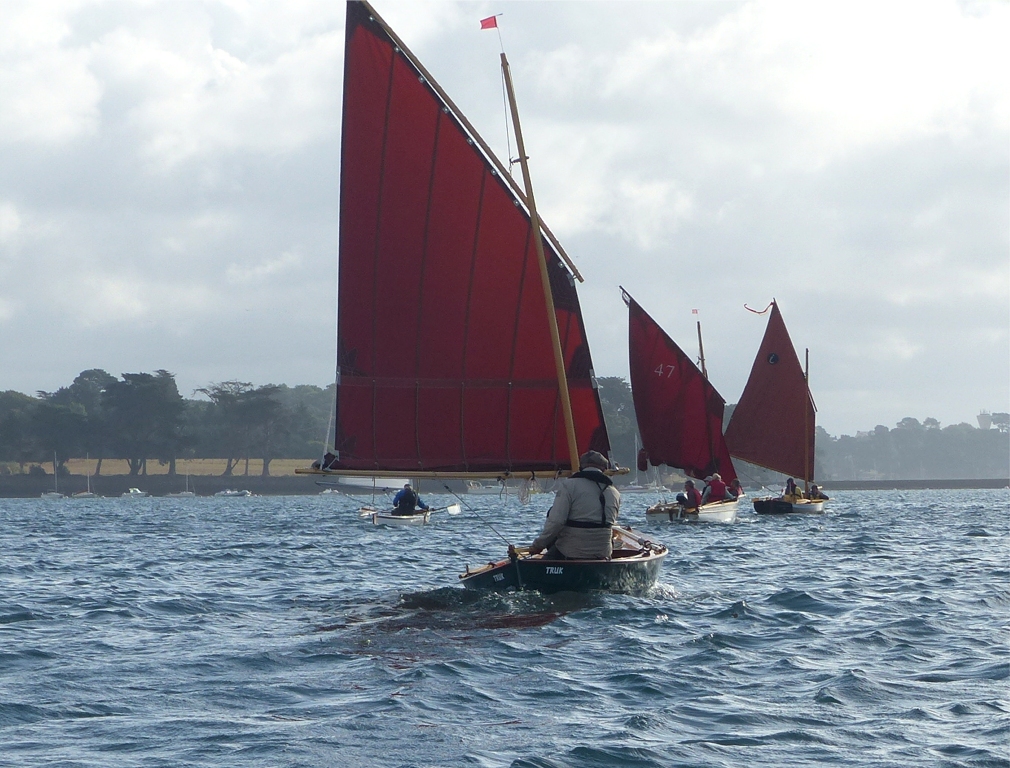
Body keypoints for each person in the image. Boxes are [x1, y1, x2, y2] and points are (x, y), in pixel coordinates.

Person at [528, 451, 620, 560]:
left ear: (581, 466)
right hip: (602, 552)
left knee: (552, 515)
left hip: (570, 552)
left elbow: (556, 522)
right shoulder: (614, 492)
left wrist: (538, 546)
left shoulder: (569, 486)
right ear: (604, 469)